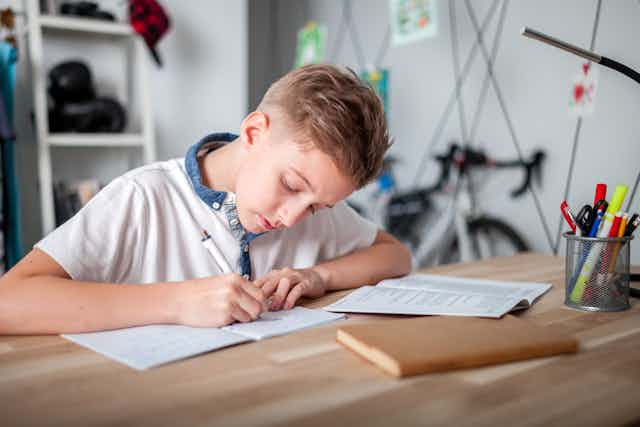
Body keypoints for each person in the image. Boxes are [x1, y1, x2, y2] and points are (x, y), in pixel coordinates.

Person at [0, 64, 411, 334]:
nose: (292, 217)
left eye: (320, 206)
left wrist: (318, 277)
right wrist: (176, 301)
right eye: (290, 184)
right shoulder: (144, 198)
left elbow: (395, 255)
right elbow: (8, 301)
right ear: (253, 133)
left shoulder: (313, 207)